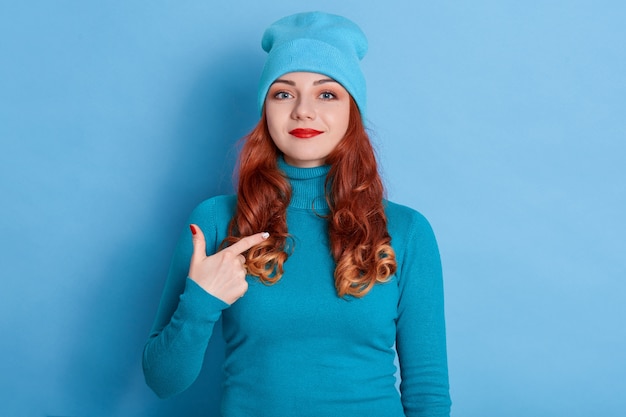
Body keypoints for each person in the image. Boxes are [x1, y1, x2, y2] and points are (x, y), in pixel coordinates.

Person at [143, 11, 451, 417]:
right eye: (283, 93)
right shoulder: (216, 222)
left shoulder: (407, 231)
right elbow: (162, 381)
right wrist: (200, 302)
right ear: (265, 108)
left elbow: (427, 392)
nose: (303, 111)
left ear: (351, 110)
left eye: (327, 94)